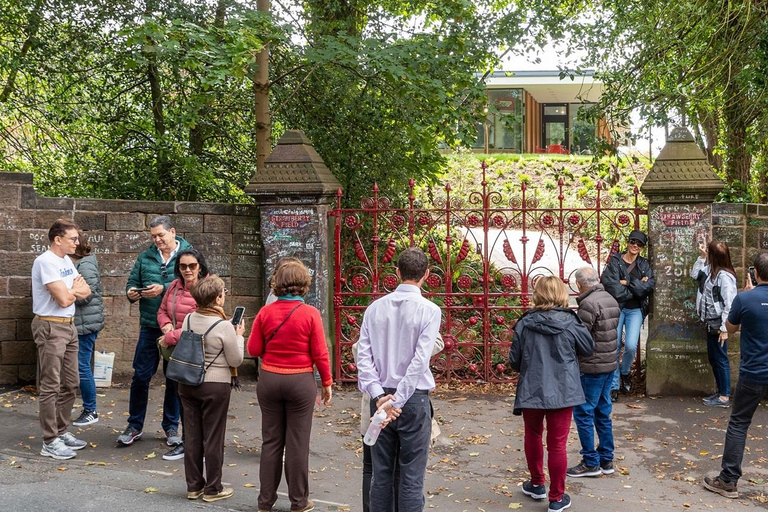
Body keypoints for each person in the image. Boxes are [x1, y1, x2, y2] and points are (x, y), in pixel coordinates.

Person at [356, 247, 441, 512]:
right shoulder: (429, 310)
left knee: (381, 474)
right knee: (412, 477)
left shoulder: (374, 308)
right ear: (426, 274)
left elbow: (363, 356)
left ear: (397, 272)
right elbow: (419, 360)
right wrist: (398, 399)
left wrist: (380, 395)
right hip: (411, 399)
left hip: (382, 400)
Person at [247, 260, 333, 512]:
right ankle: (299, 501)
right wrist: (326, 383)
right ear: (304, 284)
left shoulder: (265, 313)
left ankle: (265, 502)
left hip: (270, 379)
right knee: (297, 443)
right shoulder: (310, 314)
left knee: (271, 441)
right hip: (300, 382)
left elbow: (253, 349)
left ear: (278, 284)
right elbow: (320, 353)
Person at [509, 275, 594, 512]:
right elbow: (588, 348)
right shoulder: (571, 322)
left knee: (533, 435)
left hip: (532, 389)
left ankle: (537, 484)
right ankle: (556, 498)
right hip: (563, 390)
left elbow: (514, 360)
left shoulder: (525, 323)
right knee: (557, 444)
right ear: (562, 294)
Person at [117, 215, 192, 447]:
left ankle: (171, 427)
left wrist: (164, 288)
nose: (157, 240)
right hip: (150, 326)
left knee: (174, 379)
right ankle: (135, 425)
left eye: (160, 235)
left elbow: (195, 284)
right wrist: (132, 292)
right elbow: (131, 281)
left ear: (173, 231)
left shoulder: (188, 256)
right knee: (140, 376)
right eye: (153, 237)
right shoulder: (145, 257)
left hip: (177, 328)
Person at [352, 333, 444, 512]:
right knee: (405, 472)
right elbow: (437, 341)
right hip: (405, 397)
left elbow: (359, 353)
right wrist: (412, 353)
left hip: (379, 399)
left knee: (378, 470)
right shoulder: (420, 313)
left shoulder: (375, 315)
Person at [703, 252, 768, 499]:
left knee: (739, 424)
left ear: (755, 273)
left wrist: (747, 295)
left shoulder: (744, 299)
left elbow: (730, 327)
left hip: (753, 374)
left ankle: (729, 480)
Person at [178, 275, 245, 503]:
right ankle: (213, 488)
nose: (224, 295)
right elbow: (235, 360)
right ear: (217, 298)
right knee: (213, 438)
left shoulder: (188, 318)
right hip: (215, 385)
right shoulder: (224, 325)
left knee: (193, 436)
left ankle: (194, 486)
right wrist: (239, 337)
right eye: (223, 292)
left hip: (187, 383)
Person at [31, 219, 91, 460]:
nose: (78, 243)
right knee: (50, 385)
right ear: (58, 239)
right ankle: (49, 440)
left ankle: (61, 430)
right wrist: (71, 292)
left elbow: (85, 292)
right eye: (73, 239)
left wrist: (71, 291)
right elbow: (64, 300)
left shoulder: (66, 261)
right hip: (50, 326)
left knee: (70, 383)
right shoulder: (45, 261)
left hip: (69, 326)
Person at [156, 248, 211, 460]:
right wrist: (167, 326)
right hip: (175, 352)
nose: (187, 270)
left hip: (196, 351)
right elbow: (161, 310)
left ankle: (198, 445)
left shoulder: (208, 287)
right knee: (179, 397)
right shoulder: (174, 286)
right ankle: (187, 442)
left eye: (192, 266)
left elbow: (201, 321)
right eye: (183, 266)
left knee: (195, 400)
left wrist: (170, 336)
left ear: (200, 266)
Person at [566, 267, 620, 478]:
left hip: (592, 366)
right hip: (608, 364)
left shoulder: (588, 304)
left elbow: (582, 337)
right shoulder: (609, 298)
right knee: (602, 411)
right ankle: (606, 458)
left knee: (584, 411)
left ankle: (590, 461)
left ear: (579, 285)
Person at [601, 230, 655, 400]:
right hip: (616, 308)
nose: (635, 246)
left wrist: (627, 283)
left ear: (642, 247)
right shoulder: (616, 261)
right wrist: (637, 286)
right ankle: (614, 385)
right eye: (633, 242)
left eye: (639, 244)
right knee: (615, 345)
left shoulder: (644, 264)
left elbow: (649, 287)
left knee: (631, 345)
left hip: (635, 310)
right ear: (628, 242)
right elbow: (611, 286)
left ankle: (625, 373)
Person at [691, 239, 737, 408]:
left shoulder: (724, 277)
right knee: (713, 357)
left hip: (719, 323)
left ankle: (724, 396)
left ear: (715, 256)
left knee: (720, 358)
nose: (707, 253)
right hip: (710, 322)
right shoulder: (711, 270)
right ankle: (720, 392)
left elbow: (729, 304)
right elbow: (695, 275)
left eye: (709, 252)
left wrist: (725, 329)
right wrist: (701, 257)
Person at [70, 229, 104, 428]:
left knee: (82, 366)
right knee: (80, 365)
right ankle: (88, 407)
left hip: (86, 324)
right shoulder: (79, 264)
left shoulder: (86, 265)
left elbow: (86, 296)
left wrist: (65, 291)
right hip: (83, 322)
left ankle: (91, 410)